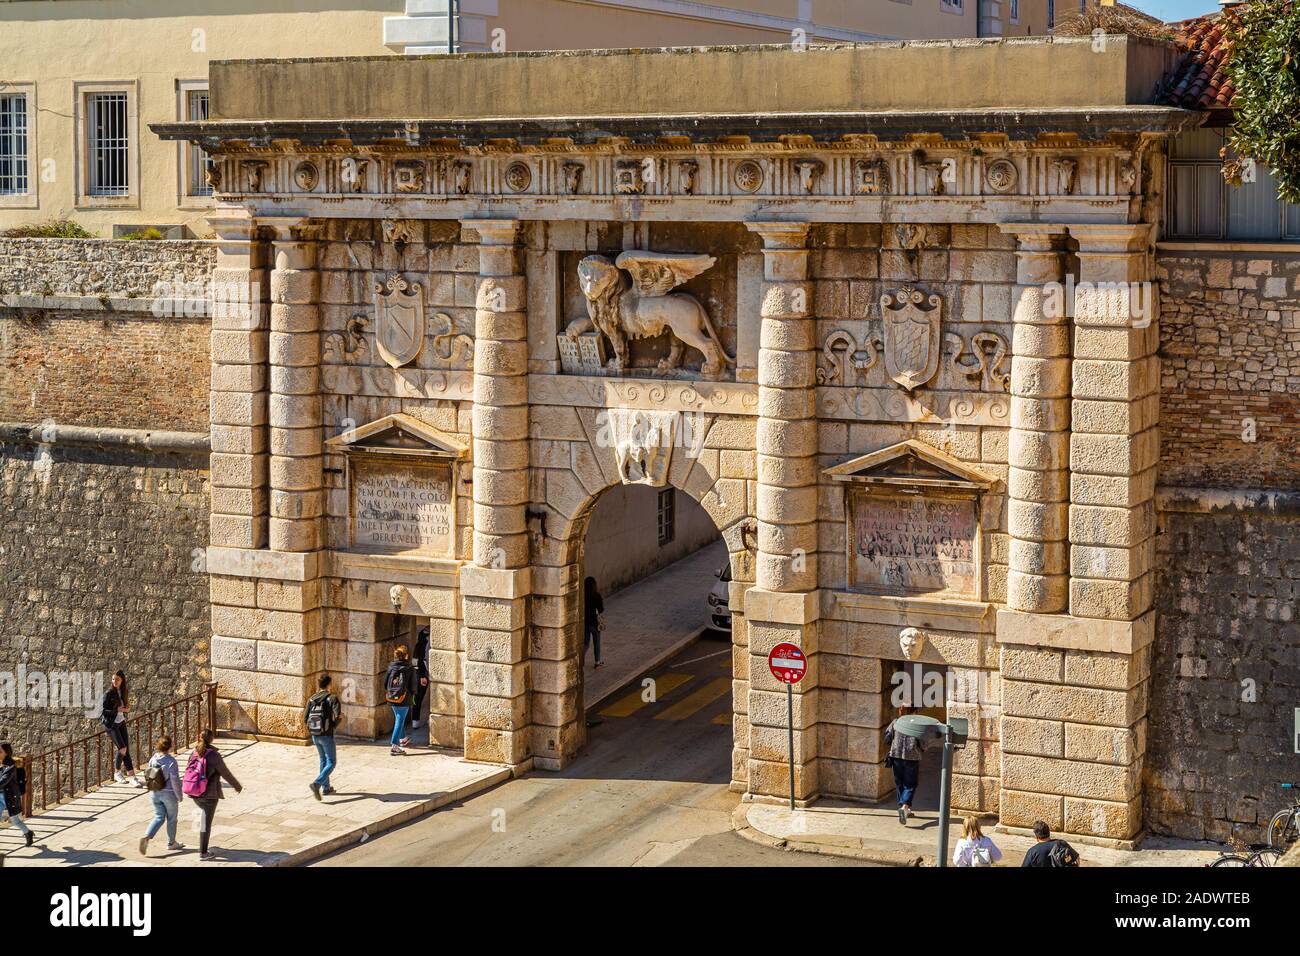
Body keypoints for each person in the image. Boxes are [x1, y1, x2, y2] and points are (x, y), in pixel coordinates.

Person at [182, 728, 243, 862]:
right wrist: (237, 786)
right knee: (206, 823)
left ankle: (201, 835)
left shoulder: (194, 752)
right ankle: (203, 853)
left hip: (194, 792)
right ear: (211, 739)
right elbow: (225, 773)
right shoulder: (214, 755)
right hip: (209, 795)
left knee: (203, 819)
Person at [139, 735, 184, 856]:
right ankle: (171, 843)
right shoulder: (171, 761)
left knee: (159, 817)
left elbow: (149, 773)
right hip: (168, 794)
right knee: (172, 819)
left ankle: (146, 837)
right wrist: (179, 795)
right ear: (170, 747)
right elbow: (174, 780)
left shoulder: (153, 758)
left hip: (154, 792)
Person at [102, 670, 143, 787]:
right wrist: (118, 710)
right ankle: (117, 772)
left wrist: (126, 708)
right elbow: (103, 711)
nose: (115, 681)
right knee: (123, 748)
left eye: (117, 679)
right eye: (113, 679)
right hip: (111, 724)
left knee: (126, 750)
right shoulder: (108, 693)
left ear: (122, 681)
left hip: (121, 722)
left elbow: (124, 706)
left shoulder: (123, 692)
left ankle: (132, 777)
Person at [883, 705, 923, 825]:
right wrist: (921, 749)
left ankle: (903, 808)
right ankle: (905, 807)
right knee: (910, 784)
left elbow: (887, 739)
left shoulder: (895, 722)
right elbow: (923, 742)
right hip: (912, 757)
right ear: (915, 711)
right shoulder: (916, 725)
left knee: (899, 782)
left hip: (896, 756)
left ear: (900, 711)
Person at [305, 674, 342, 800]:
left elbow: (305, 718)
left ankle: (326, 788)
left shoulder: (312, 699)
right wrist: (333, 725)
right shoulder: (332, 698)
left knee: (323, 760)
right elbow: (337, 716)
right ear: (329, 684)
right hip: (327, 734)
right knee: (332, 761)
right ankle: (317, 784)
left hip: (315, 735)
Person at [384, 646, 417, 756]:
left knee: (399, 717)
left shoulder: (391, 667)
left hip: (392, 697)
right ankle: (394, 745)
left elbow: (385, 683)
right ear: (406, 655)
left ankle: (403, 739)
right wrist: (414, 694)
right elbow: (413, 685)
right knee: (399, 719)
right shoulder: (409, 668)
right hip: (404, 697)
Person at [0, 743, 35, 848]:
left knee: (15, 820)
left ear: (6, 753)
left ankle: (28, 833)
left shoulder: (10, 766)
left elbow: (3, 781)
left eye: (0, 751)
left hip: (9, 797)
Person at [409, 627, 431, 730]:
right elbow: (416, 662)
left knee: (418, 699)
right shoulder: (421, 645)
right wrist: (421, 675)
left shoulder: (422, 645)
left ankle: (416, 720)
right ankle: (415, 721)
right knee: (418, 699)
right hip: (421, 676)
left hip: (422, 674)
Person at [583, 576, 605, 668]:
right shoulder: (597, 596)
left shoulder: (582, 596)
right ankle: (597, 662)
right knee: (596, 643)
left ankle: (580, 660)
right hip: (595, 624)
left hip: (585, 623)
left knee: (585, 644)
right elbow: (601, 609)